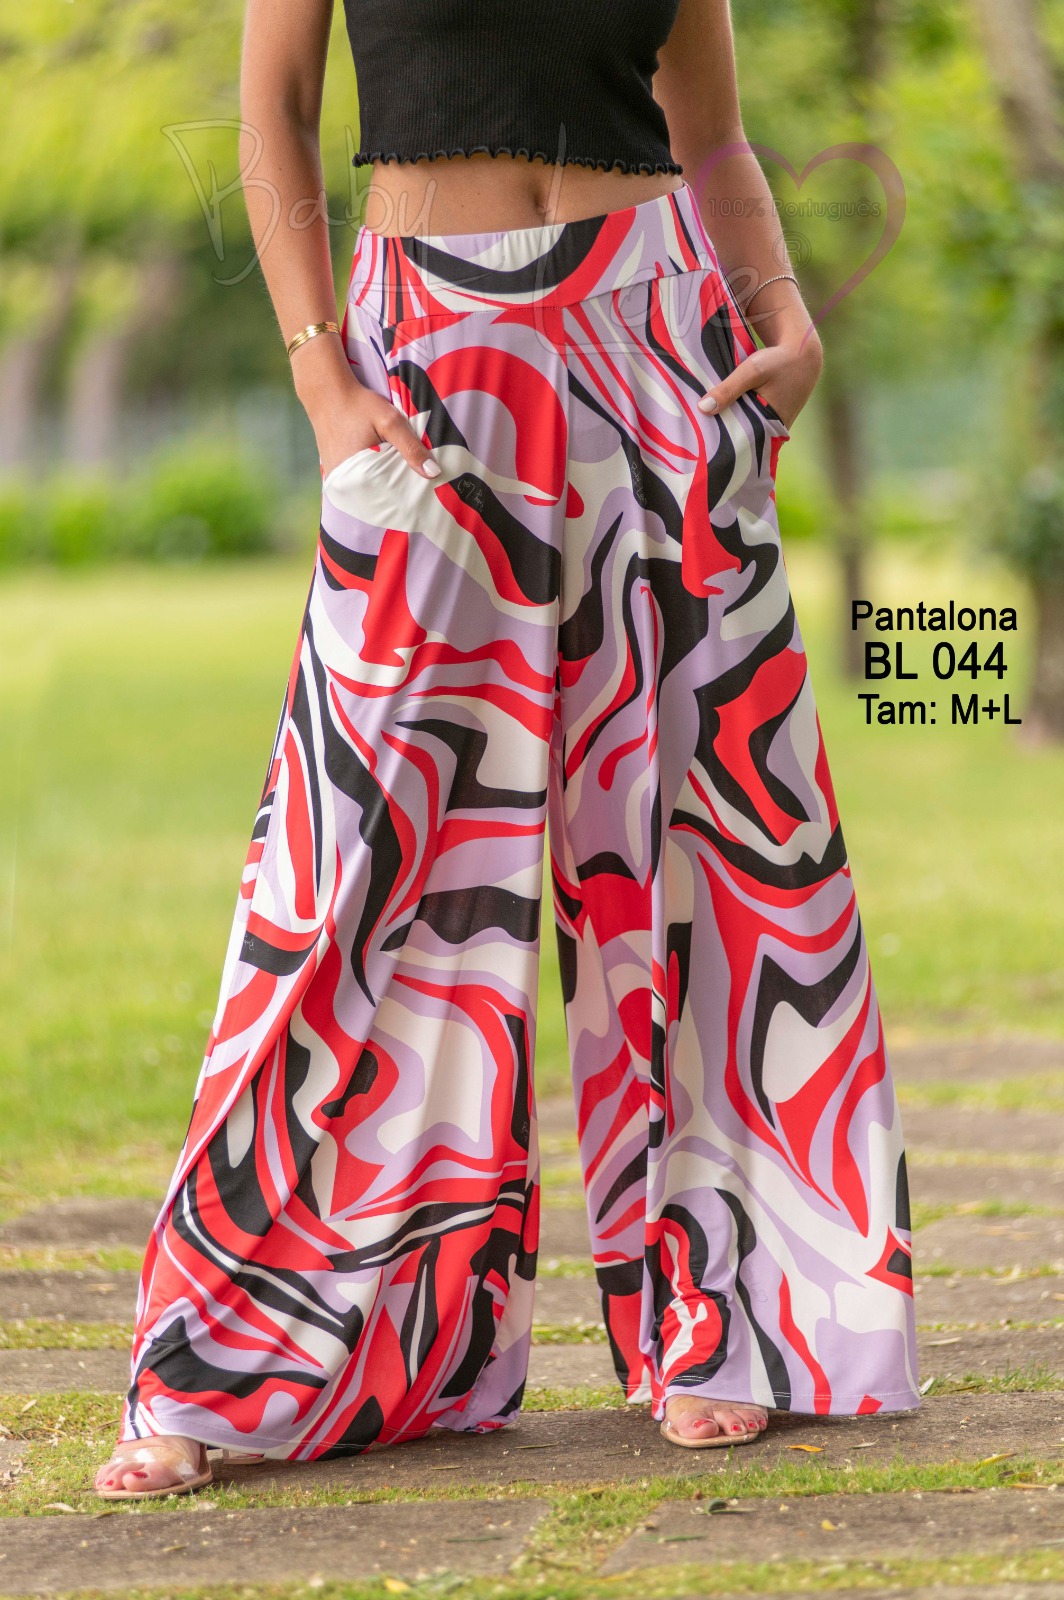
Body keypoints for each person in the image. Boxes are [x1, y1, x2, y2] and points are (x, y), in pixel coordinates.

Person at [95, 0, 919, 1499]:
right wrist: (321, 378)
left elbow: (713, 133)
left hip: (659, 343)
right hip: (427, 361)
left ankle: (721, 1317)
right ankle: (247, 1344)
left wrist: (784, 315)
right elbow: (273, 110)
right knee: (363, 850)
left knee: (706, 841)